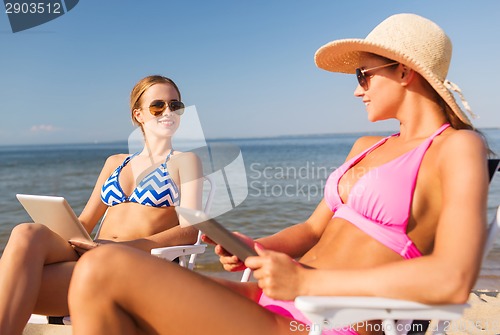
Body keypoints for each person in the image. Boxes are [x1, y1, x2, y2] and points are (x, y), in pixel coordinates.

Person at [67, 13, 489, 335]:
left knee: (103, 271)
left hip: (325, 322)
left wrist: (305, 281)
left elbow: (451, 279)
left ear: (403, 70)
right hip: (277, 296)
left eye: (363, 74)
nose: (357, 89)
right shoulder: (367, 147)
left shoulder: (458, 148)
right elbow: (310, 230)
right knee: (98, 270)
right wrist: (254, 245)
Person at [0, 75, 203, 335]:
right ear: (139, 115)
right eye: (158, 106)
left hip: (133, 266)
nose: (168, 112)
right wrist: (74, 237)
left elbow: (190, 231)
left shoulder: (185, 161)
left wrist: (119, 248)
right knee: (27, 232)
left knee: (16, 284)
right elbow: (85, 222)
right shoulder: (115, 162)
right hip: (93, 255)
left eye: (175, 106)